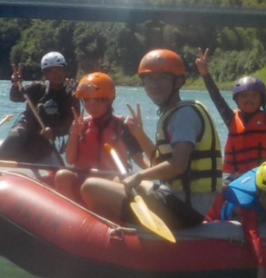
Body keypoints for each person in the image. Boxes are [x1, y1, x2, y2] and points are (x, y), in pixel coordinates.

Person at [80, 49, 223, 229]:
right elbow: (160, 162)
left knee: (89, 187)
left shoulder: (185, 114)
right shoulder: (175, 112)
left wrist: (139, 175)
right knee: (117, 182)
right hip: (179, 198)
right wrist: (140, 134)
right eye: (149, 79)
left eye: (162, 78)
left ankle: (118, 236)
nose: (154, 85)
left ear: (178, 82)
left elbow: (178, 164)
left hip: (185, 208)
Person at [195, 48, 266, 180]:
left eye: (254, 95)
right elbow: (216, 97)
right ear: (237, 100)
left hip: (265, 177)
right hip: (235, 177)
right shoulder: (231, 118)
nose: (249, 99)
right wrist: (205, 74)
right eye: (244, 96)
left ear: (261, 99)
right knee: (220, 188)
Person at [54, 72, 146, 205]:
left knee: (117, 181)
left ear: (109, 100)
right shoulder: (80, 126)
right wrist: (74, 134)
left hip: (110, 180)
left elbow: (140, 159)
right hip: (83, 177)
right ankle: (72, 213)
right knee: (62, 175)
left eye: (98, 100)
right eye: (87, 100)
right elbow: (70, 160)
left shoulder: (123, 126)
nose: (92, 106)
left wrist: (158, 171)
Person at [0, 51, 78, 164]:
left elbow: (71, 124)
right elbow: (16, 97)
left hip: (45, 136)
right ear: (46, 74)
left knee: (35, 149)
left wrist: (54, 132)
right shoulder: (38, 87)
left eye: (59, 70)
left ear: (64, 71)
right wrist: (15, 85)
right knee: (16, 135)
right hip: (27, 125)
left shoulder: (71, 96)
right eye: (51, 72)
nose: (56, 75)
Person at [207, 159, 266, 225]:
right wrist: (213, 220)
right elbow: (221, 189)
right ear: (259, 192)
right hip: (229, 216)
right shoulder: (247, 205)